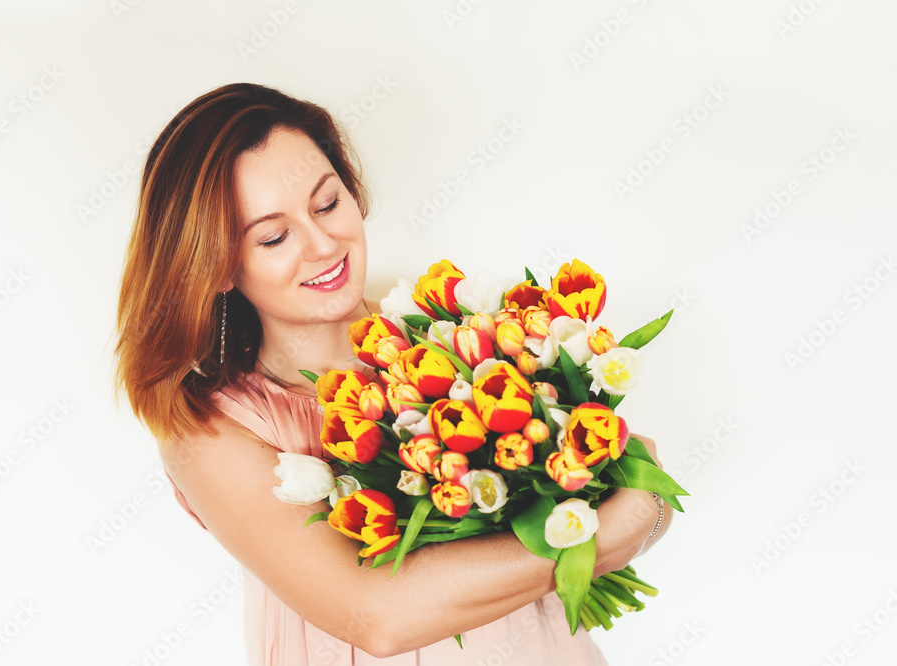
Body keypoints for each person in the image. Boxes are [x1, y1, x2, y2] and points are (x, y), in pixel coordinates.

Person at [114, 83, 671, 665]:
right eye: (274, 236)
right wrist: (591, 540)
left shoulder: (460, 335)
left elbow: (633, 510)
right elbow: (377, 619)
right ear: (218, 265)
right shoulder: (211, 433)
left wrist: (639, 509)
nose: (323, 245)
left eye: (327, 204)